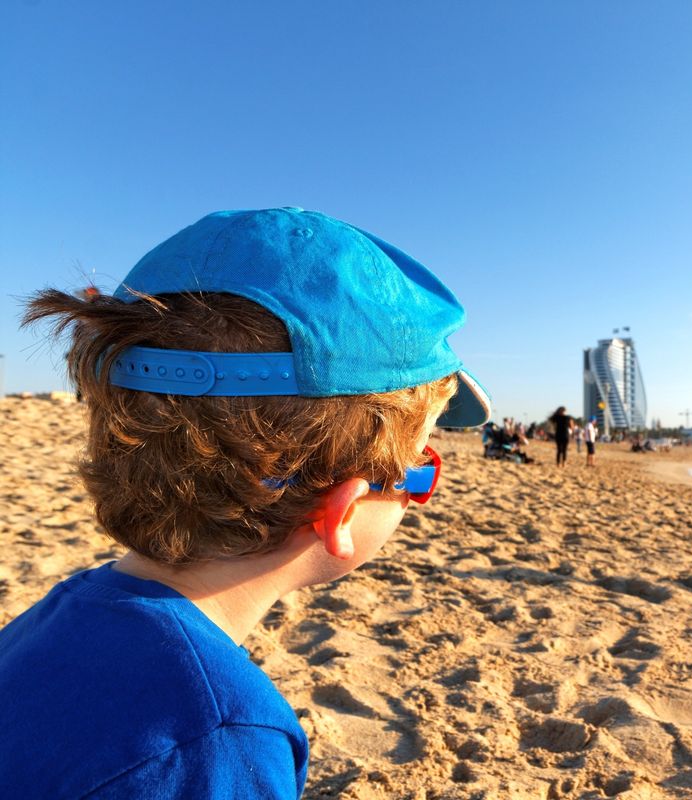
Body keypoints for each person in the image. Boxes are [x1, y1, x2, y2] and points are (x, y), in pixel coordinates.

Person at [1, 208, 491, 798]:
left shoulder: (45, 625)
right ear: (340, 511)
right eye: (421, 468)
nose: (419, 495)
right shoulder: (216, 742)